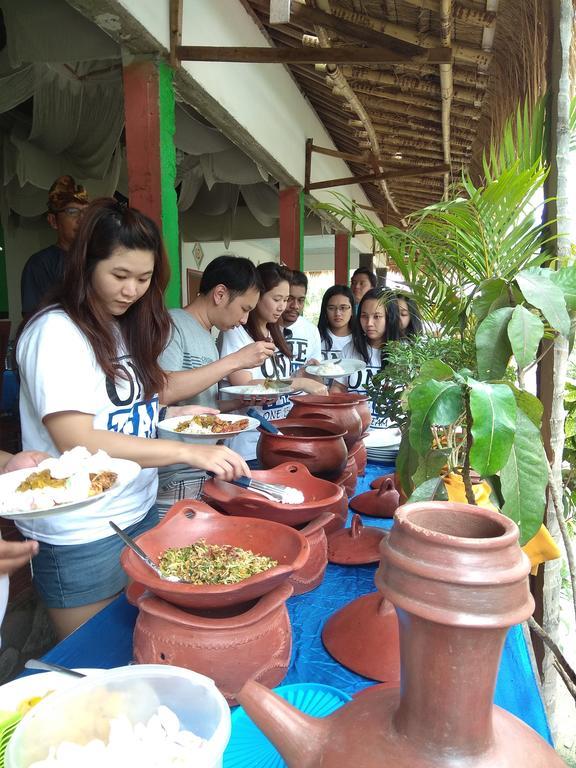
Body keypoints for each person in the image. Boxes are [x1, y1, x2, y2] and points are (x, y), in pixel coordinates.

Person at [16, 198, 249, 640]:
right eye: (119, 276)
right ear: (85, 266)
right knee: (95, 655)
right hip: (81, 527)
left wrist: (170, 412)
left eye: (143, 279)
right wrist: (183, 451)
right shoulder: (56, 332)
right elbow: (76, 438)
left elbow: (141, 396)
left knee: (138, 637)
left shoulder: (124, 325)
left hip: (137, 510)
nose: (132, 290)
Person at [157, 255, 275, 510]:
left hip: (202, 467)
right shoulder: (172, 324)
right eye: (244, 309)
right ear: (220, 294)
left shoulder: (207, 336)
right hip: (175, 474)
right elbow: (163, 390)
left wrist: (238, 402)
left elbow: (198, 405)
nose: (244, 320)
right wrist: (235, 361)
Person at [219, 262, 327, 462]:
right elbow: (246, 386)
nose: (282, 306)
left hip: (277, 439)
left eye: (285, 299)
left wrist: (299, 376)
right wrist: (300, 383)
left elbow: (275, 382)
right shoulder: (236, 334)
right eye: (277, 298)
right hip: (248, 448)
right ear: (258, 296)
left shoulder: (274, 332)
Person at [20, 175, 90, 319]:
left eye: (86, 212)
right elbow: (34, 318)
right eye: (72, 212)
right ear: (53, 221)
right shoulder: (40, 264)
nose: (82, 219)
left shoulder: (99, 258)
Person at [331, 288, 400, 430]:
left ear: (390, 317)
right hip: (355, 433)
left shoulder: (405, 353)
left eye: (377, 316)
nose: (369, 323)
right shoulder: (349, 350)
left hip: (391, 436)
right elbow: (338, 388)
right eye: (364, 316)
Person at [280, 270, 321, 373]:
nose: (295, 306)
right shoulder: (266, 328)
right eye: (290, 299)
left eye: (301, 300)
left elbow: (316, 374)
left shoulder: (312, 330)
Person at [317, 285, 357, 360]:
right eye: (331, 308)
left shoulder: (360, 340)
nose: (337, 313)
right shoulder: (316, 337)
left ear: (352, 310)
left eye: (343, 308)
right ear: (325, 310)